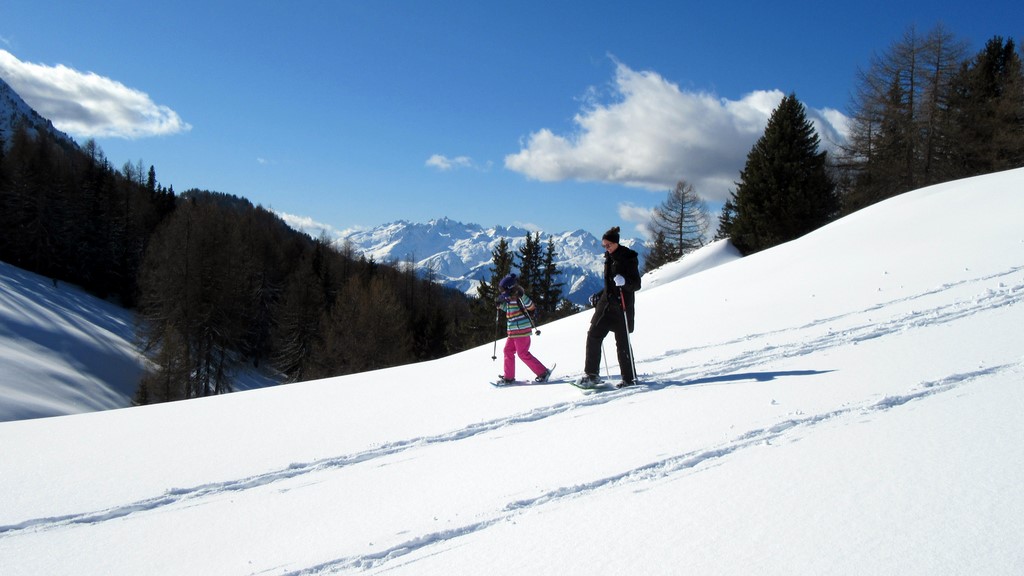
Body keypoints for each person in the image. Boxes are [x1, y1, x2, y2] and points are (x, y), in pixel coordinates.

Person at [578, 226, 641, 387]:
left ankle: (629, 378)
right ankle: (591, 374)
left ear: (616, 243)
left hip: (622, 306)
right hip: (605, 305)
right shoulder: (609, 257)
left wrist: (625, 282)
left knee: (622, 342)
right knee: (593, 334)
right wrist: (599, 295)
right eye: (604, 246)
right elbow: (610, 285)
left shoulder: (628, 257)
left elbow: (636, 284)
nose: (606, 248)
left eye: (608, 245)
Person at [495, 273, 553, 384]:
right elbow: (509, 310)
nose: (501, 292)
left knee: (522, 353)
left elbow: (531, 306)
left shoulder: (519, 297)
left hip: (521, 331)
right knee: (507, 351)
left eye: (503, 290)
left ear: (509, 288)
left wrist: (522, 296)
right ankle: (508, 377)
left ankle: (543, 372)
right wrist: (500, 305)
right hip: (512, 332)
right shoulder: (508, 299)